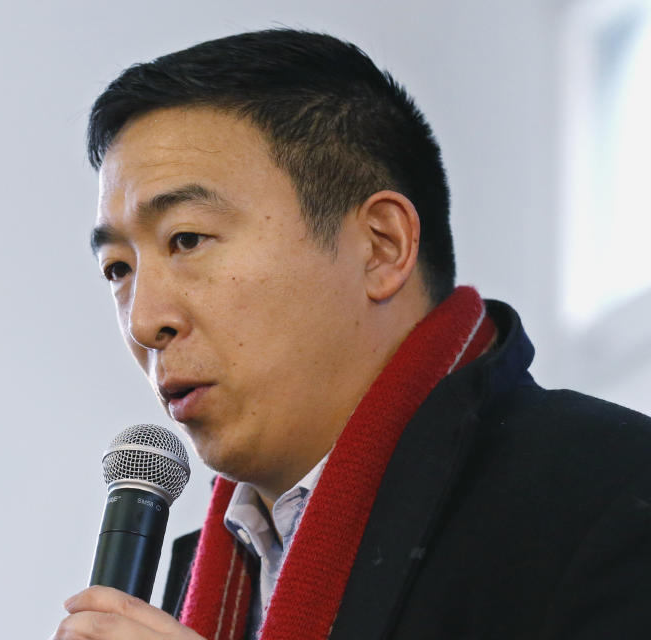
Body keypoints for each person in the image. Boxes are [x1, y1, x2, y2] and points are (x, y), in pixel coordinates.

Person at [52, 29, 651, 640]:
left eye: (187, 239)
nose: (145, 321)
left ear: (380, 247)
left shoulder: (612, 497)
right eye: (119, 270)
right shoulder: (189, 586)